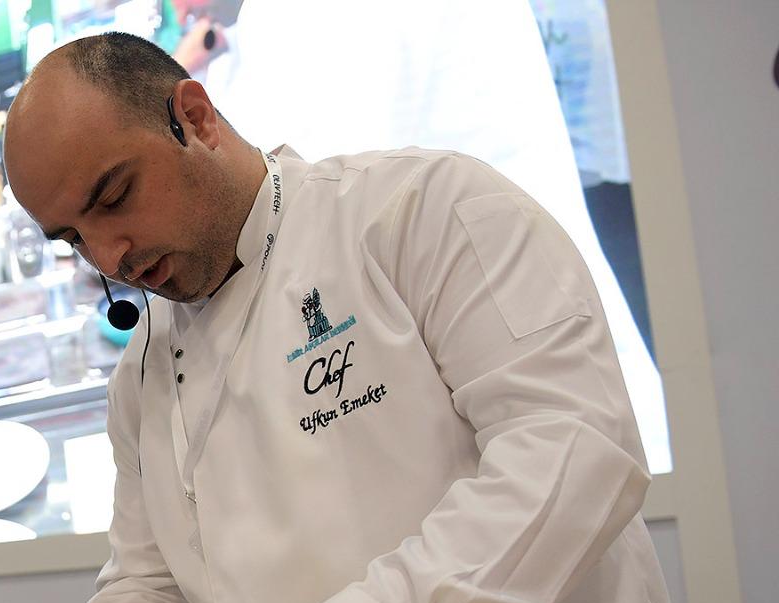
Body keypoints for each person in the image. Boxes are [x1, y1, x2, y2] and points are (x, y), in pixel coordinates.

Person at [1, 34, 733, 603]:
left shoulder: (422, 212)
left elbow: (574, 458)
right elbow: (146, 581)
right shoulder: (141, 377)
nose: (110, 256)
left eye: (115, 197)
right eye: (73, 239)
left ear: (197, 117)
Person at [165, 0, 668, 471]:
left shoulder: (312, 29)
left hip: (465, 359)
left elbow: (296, 225)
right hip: (518, 327)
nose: (178, 10)